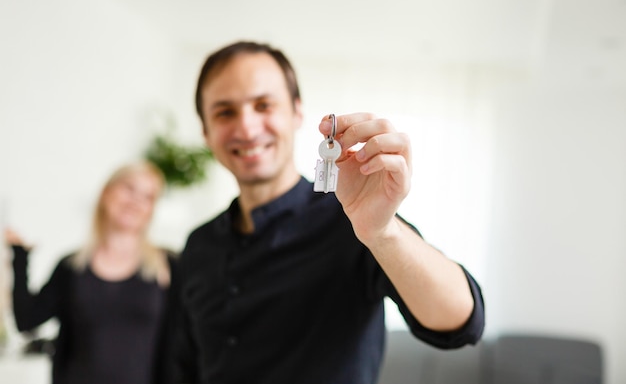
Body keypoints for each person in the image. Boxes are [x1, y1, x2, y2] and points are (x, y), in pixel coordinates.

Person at [168, 41, 485, 384]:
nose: (246, 128)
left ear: (296, 113)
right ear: (206, 131)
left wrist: (382, 233)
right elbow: (183, 365)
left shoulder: (353, 219)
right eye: (225, 112)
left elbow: (461, 321)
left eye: (263, 105)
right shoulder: (198, 245)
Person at [5, 161, 177, 384]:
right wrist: (19, 259)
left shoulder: (169, 266)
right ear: (106, 193)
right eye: (129, 189)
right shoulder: (71, 268)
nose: (136, 201)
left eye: (148, 197)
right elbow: (26, 321)